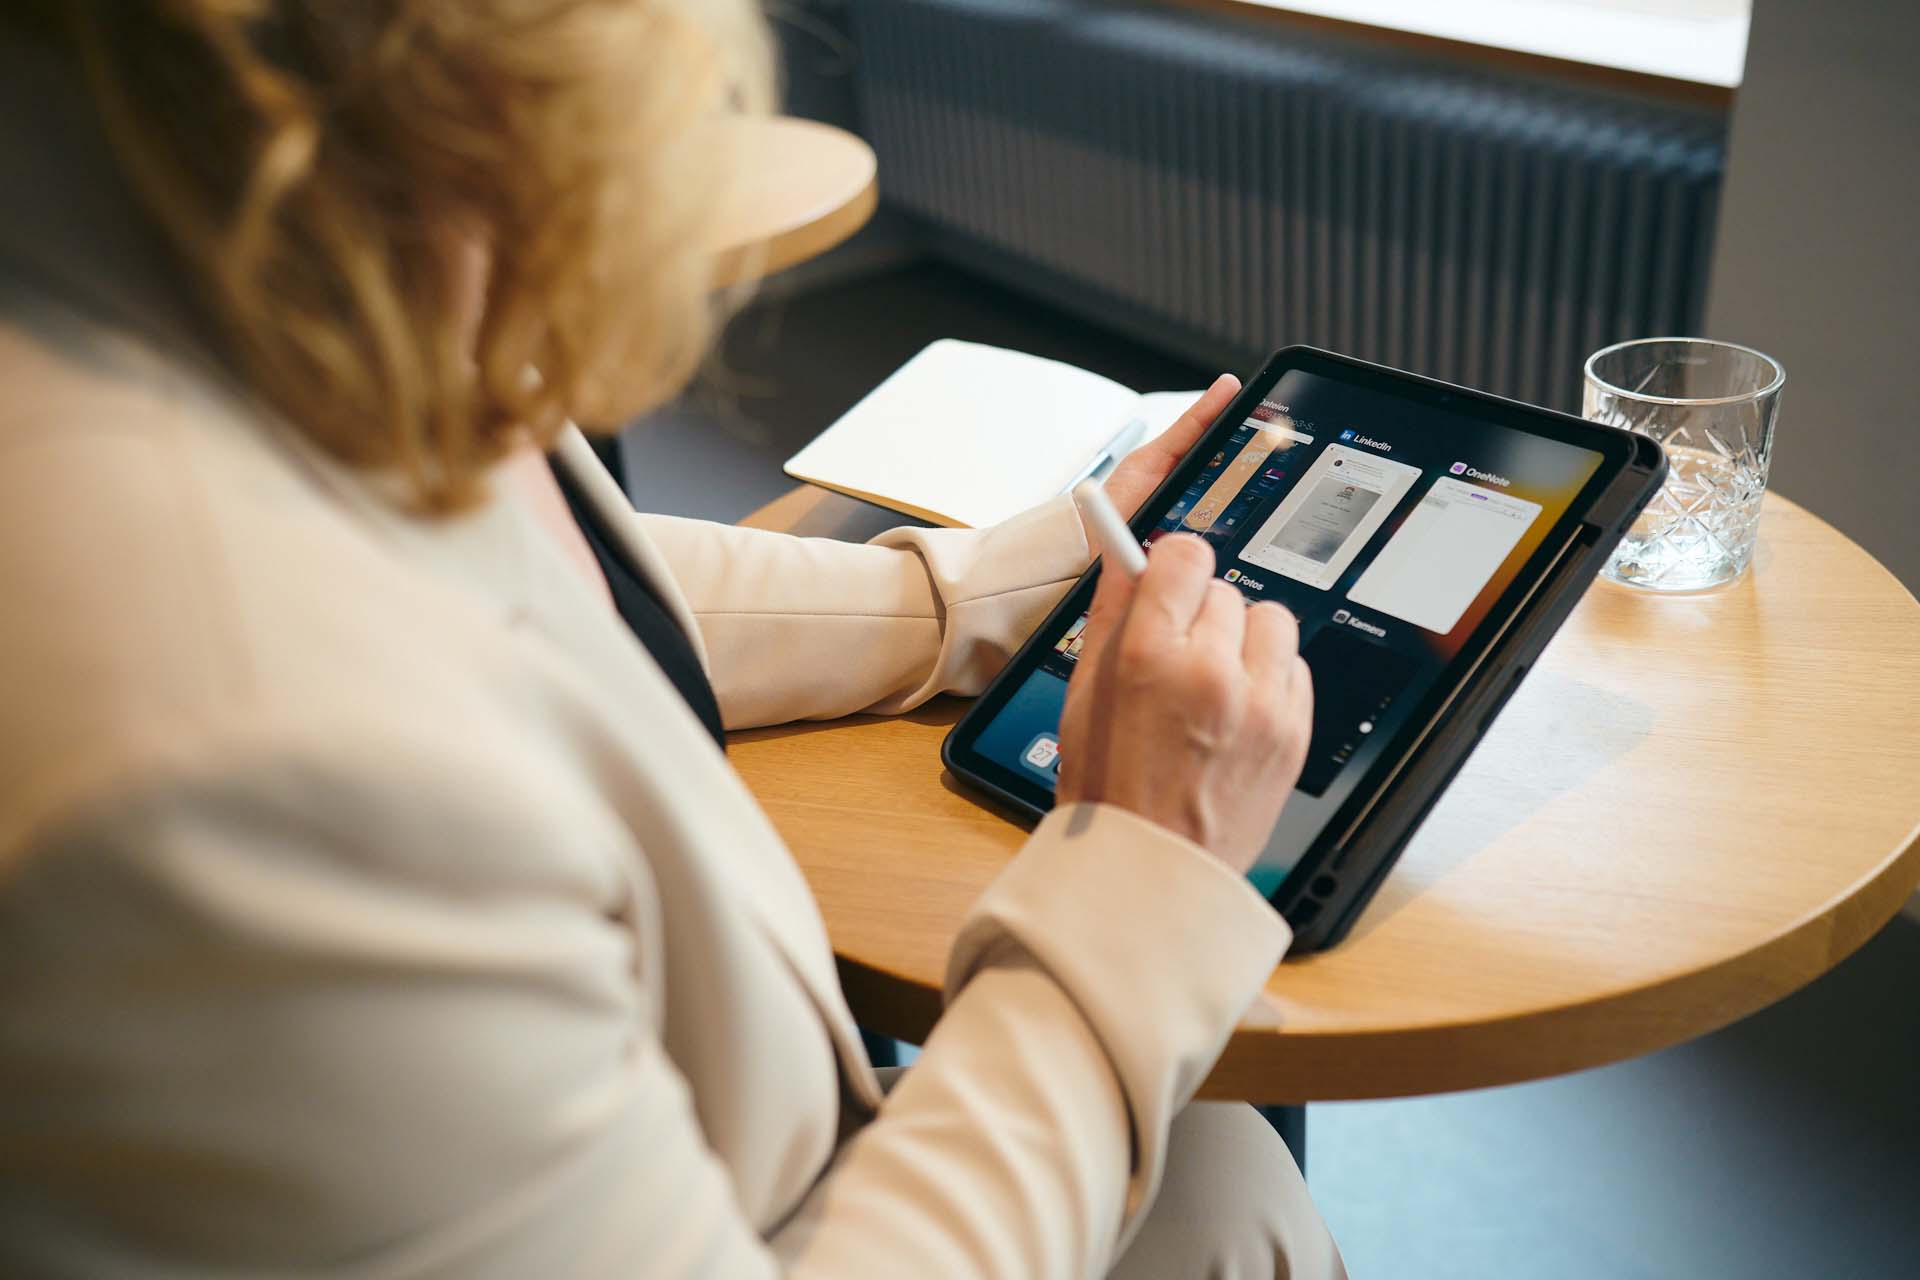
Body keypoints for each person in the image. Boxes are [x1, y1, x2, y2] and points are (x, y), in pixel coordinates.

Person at [0, 3, 1344, 1276]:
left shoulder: (231, 244)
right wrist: (1142, 877)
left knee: (1220, 1158)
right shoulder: (239, 751)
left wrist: (989, 591)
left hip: (710, 1130)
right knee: (1220, 1150)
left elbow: (550, 586)